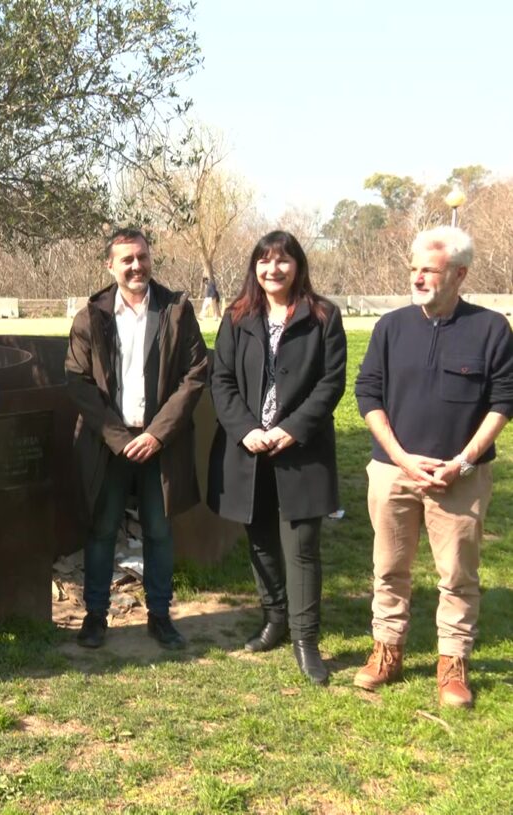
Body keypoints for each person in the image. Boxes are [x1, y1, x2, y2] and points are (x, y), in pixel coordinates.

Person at [353, 225, 513, 708]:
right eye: (414, 269)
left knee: (458, 575)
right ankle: (387, 650)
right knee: (388, 568)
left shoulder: (490, 330)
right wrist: (400, 457)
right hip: (393, 472)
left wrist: (463, 462)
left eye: (430, 269)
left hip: (459, 479)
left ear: (459, 274)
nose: (418, 277)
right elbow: (368, 394)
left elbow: (503, 401)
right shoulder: (391, 327)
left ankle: (453, 663)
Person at [207, 231, 346, 685]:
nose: (273, 269)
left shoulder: (323, 316)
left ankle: (306, 640)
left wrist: (291, 429)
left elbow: (331, 384)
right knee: (261, 539)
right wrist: (247, 430)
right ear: (255, 268)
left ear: (297, 266)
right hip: (248, 451)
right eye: (265, 262)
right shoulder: (237, 316)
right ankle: (275, 620)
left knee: (302, 547)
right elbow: (221, 380)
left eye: (283, 261)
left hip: (301, 451)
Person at [65, 227, 207, 650]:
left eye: (141, 257)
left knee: (159, 532)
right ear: (110, 265)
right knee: (102, 529)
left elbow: (196, 375)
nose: (135, 266)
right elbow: (77, 381)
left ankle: (159, 617)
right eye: (126, 259)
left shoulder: (177, 310)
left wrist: (157, 435)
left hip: (159, 444)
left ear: (150, 259)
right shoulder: (91, 315)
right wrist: (116, 436)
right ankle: (95, 617)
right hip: (109, 445)